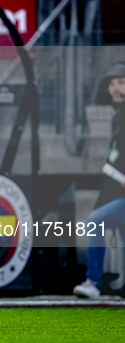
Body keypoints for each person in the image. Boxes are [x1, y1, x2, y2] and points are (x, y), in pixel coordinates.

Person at [73, 62, 125, 299]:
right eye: (112, 83)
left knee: (95, 219)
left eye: (121, 82)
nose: (116, 88)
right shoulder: (117, 118)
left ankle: (93, 282)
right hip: (119, 192)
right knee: (100, 219)